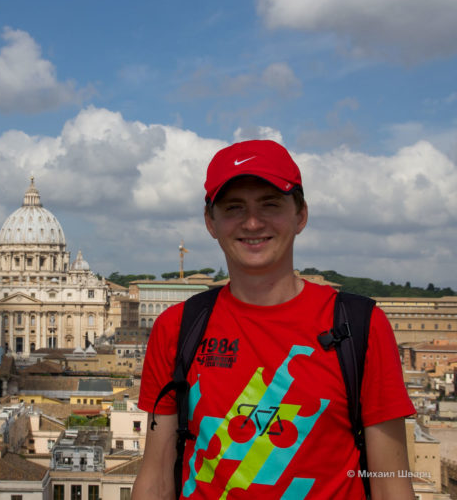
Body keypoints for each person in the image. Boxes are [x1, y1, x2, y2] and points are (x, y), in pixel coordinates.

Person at [134, 140, 415, 499]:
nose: (252, 222)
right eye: (234, 207)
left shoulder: (362, 326)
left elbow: (392, 484)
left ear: (301, 215)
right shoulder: (175, 328)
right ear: (210, 222)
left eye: (270, 204)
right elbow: (155, 477)